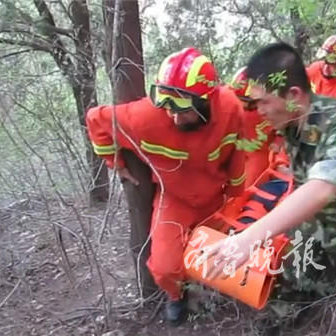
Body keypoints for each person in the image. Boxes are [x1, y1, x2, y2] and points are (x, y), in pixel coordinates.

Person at [201, 43, 336, 296]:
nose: (259, 112)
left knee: (305, 284)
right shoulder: (291, 120)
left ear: (293, 95)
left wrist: (249, 238)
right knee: (287, 270)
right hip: (324, 214)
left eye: (264, 103)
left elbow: (323, 187)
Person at [86, 47, 246, 325]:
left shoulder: (231, 109)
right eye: (167, 105)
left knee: (222, 256)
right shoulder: (144, 118)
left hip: (214, 198)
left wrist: (235, 198)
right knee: (163, 267)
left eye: (183, 109)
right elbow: (96, 120)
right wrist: (116, 164)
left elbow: (237, 156)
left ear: (207, 100)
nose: (173, 116)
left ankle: (209, 283)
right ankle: (176, 295)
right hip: (174, 200)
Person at [228, 67, 290, 186]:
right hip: (237, 149)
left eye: (248, 102)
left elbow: (287, 127)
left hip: (261, 152)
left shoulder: (275, 106)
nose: (243, 105)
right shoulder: (230, 99)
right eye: (240, 100)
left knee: (249, 187)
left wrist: (278, 143)